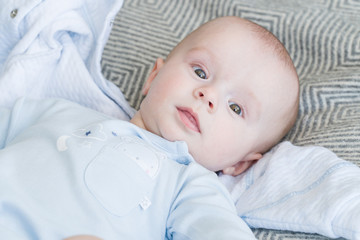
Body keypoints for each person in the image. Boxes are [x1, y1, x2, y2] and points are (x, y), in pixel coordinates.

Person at [0, 16, 298, 239]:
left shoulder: (189, 184)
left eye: (236, 108)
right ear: (153, 77)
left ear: (240, 163)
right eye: (200, 71)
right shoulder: (57, 110)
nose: (208, 95)